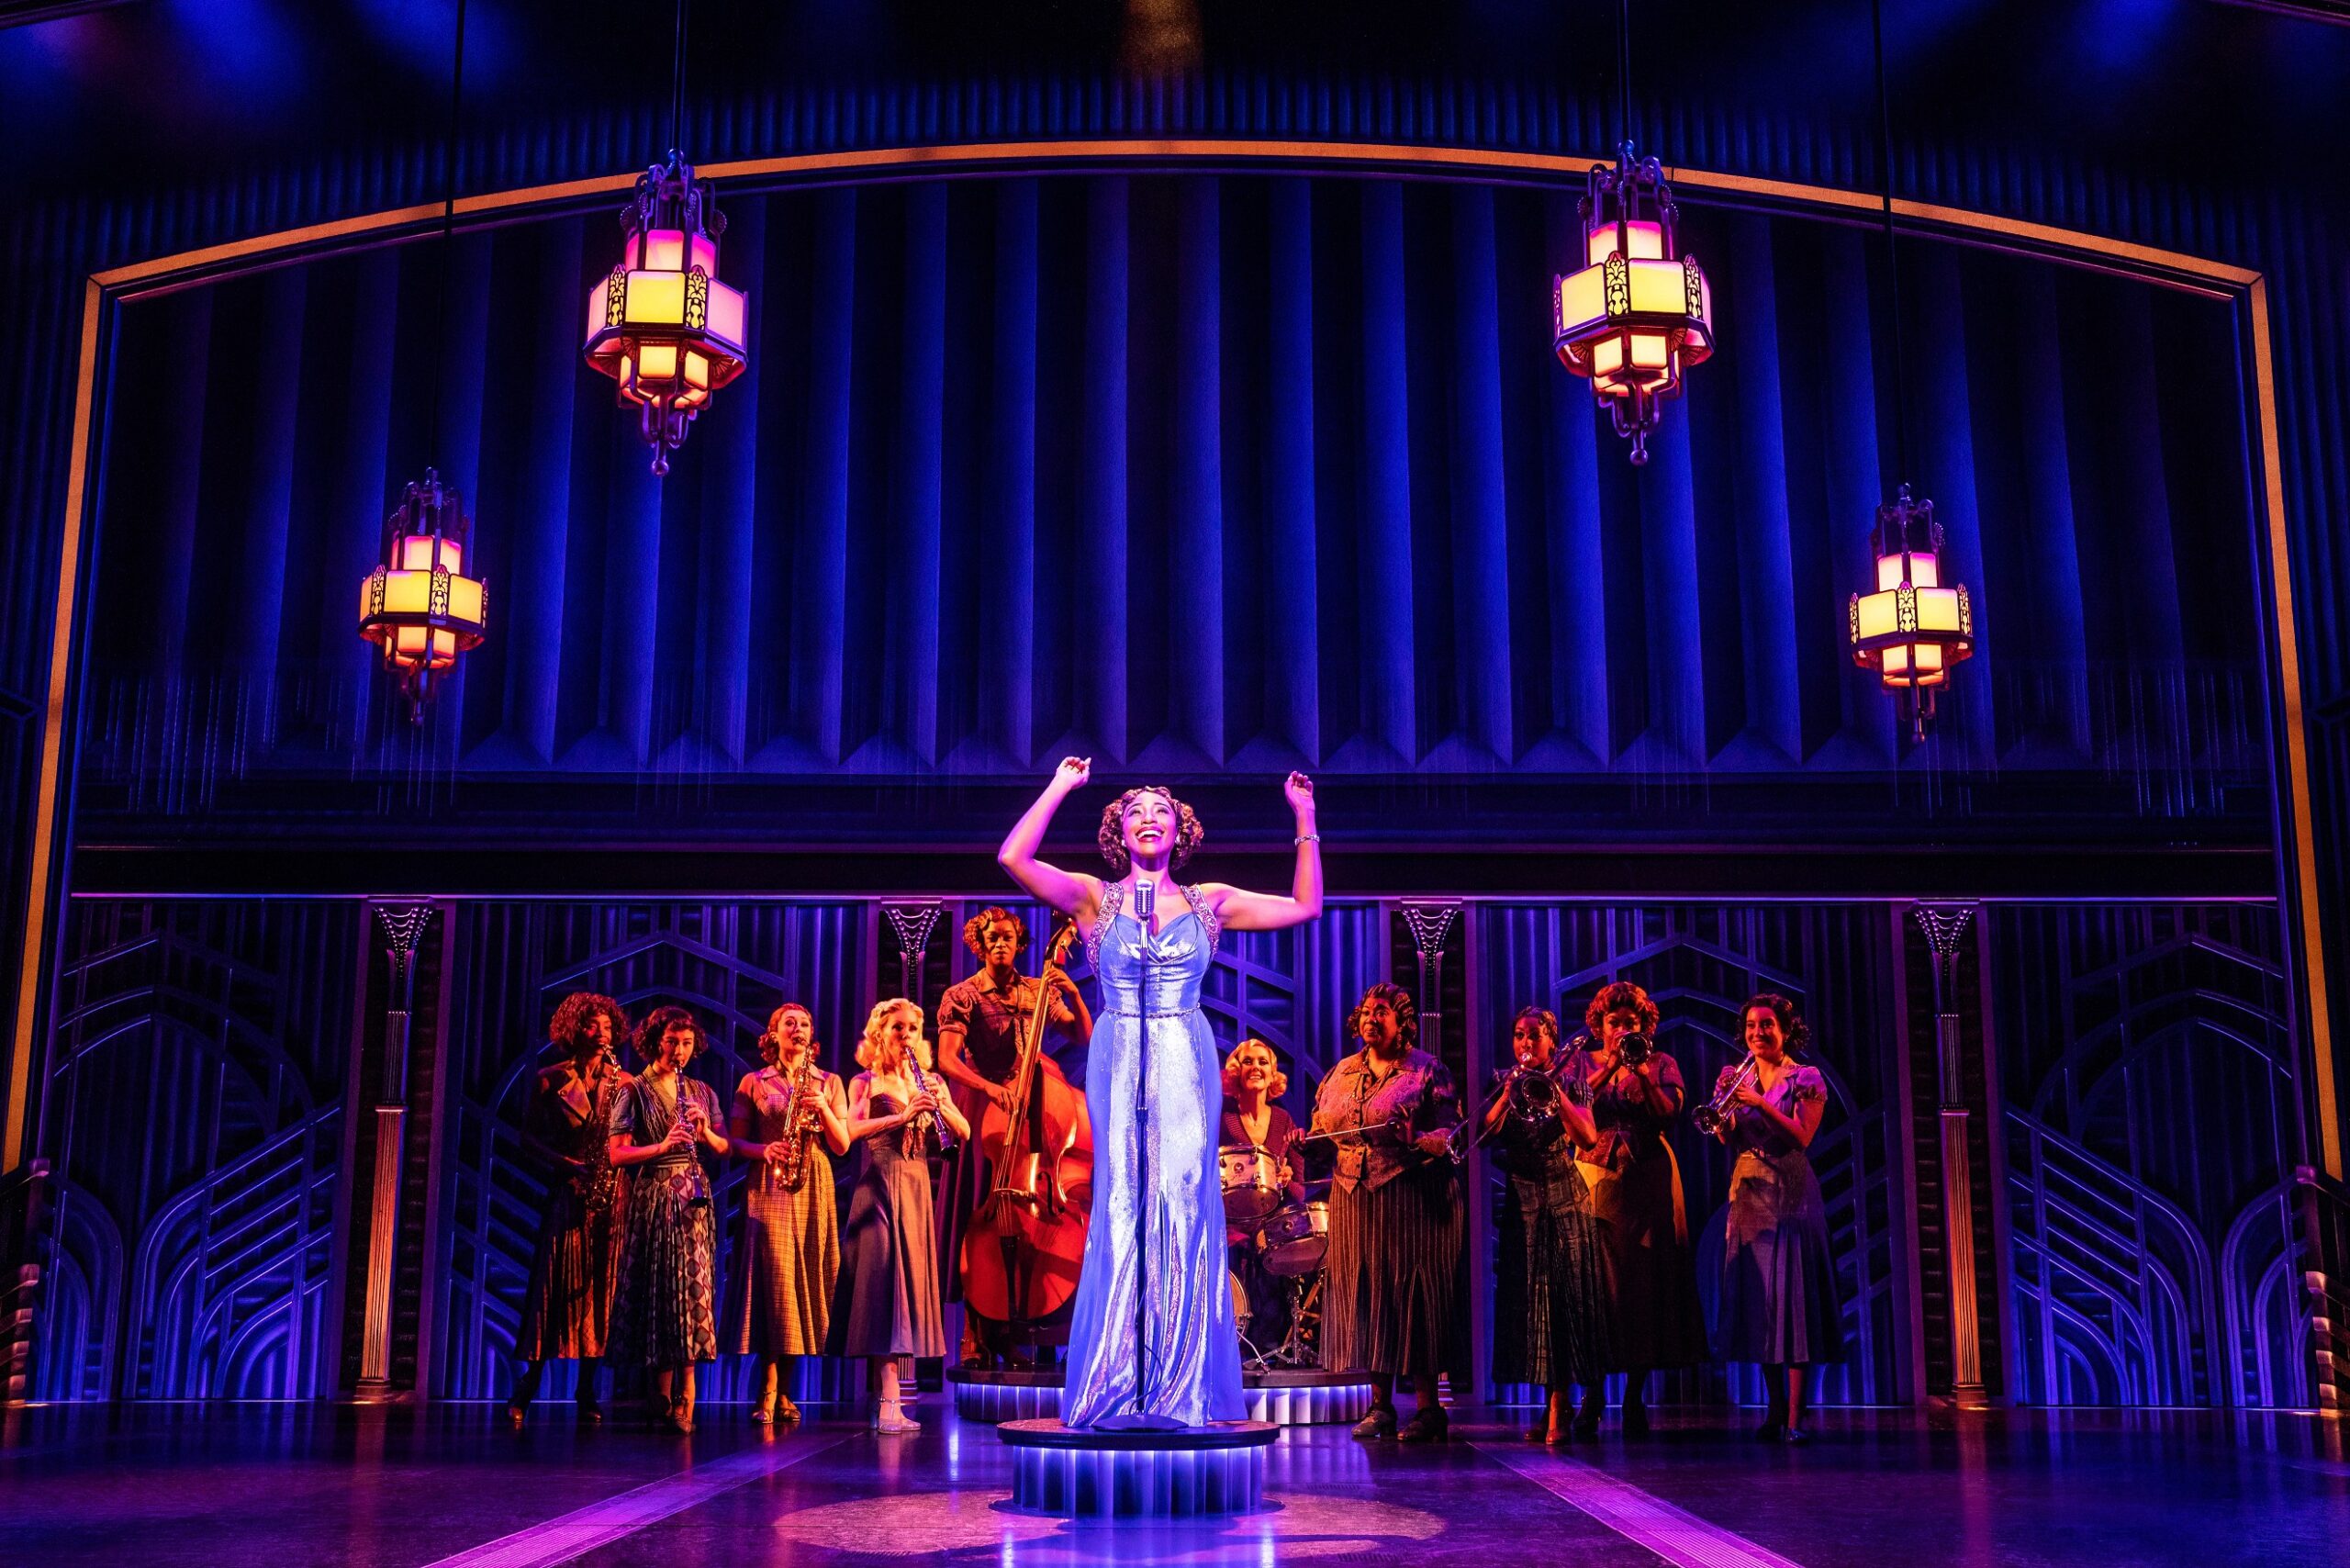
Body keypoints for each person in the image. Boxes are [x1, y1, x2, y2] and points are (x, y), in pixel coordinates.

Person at [996, 758, 1323, 1428]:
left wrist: (1304, 818)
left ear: (1180, 830)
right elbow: (1013, 857)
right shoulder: (1094, 897)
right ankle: (1117, 1378)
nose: (1148, 817)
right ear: (1118, 832)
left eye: (1161, 810)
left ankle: (1181, 1384)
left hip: (1184, 1055)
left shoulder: (1211, 901)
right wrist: (1060, 787)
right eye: (1135, 811)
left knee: (1182, 1205)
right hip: (1120, 1052)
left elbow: (1306, 907)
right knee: (1123, 1205)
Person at [934, 905, 1093, 1367]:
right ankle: (975, 1333)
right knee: (977, 1211)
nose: (1000, 944)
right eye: (992, 938)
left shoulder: (1036, 990)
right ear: (979, 945)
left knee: (1029, 1206)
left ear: (1019, 944)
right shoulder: (963, 995)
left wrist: (1073, 993)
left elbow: (1082, 1035)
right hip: (982, 1105)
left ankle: (1025, 1322)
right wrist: (989, 1089)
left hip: (1032, 1102)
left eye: (1007, 937)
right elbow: (947, 1059)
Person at [1312, 981, 1467, 1442]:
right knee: (1366, 1296)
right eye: (1366, 1011)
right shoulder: (1341, 1072)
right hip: (1353, 1199)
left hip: (1411, 1198)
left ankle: (1428, 1408)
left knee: (1411, 1295)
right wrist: (1305, 1140)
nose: (1371, 1018)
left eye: (1382, 1011)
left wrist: (1415, 1137)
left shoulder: (1426, 1071)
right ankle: (1380, 1406)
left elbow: (1452, 1136)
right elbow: (1323, 1130)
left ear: (1403, 1022)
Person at [1563, 980, 1709, 1435]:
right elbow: (1571, 1108)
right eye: (1615, 1022)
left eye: (1632, 1023)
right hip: (1594, 1175)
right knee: (1595, 1286)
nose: (1624, 1030)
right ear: (1599, 1026)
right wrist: (1609, 1067)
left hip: (1648, 1177)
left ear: (1645, 1026)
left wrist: (1642, 1073)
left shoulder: (1661, 1061)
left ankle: (1633, 1397)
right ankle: (1592, 1394)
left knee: (1644, 1284)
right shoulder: (1583, 1062)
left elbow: (1669, 1114)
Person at [825, 998, 971, 1434]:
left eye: (912, 1028)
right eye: (897, 1027)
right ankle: (890, 1401)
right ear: (880, 1033)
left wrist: (941, 1106)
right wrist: (902, 1117)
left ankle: (892, 1403)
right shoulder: (864, 1082)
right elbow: (849, 1131)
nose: (905, 1034)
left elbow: (963, 1131)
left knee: (907, 1294)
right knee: (884, 1292)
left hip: (916, 1190)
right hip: (880, 1187)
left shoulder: (932, 1081)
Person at [1710, 991, 1843, 1444]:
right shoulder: (1739, 1075)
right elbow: (1728, 1138)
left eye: (1766, 1024)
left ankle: (1796, 1418)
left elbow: (1801, 1137)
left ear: (1786, 1031)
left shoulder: (1804, 1077)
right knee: (1761, 1303)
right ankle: (1773, 1410)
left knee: (1795, 1304)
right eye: (1751, 1025)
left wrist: (1760, 1102)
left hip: (1790, 1190)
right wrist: (1725, 1115)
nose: (1757, 1033)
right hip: (1748, 1188)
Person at [1485, 1006, 1614, 1443]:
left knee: (1561, 1304)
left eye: (1535, 1035)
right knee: (1531, 1308)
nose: (1526, 1043)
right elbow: (1482, 1135)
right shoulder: (1502, 1081)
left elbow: (1588, 1138)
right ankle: (1548, 1404)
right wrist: (1506, 1094)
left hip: (1563, 1199)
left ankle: (1562, 1404)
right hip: (1521, 1203)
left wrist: (1556, 1093)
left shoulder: (1572, 1082)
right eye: (1519, 1035)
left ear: (1552, 1043)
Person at [719, 1002, 851, 1424]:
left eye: (805, 1023)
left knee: (803, 1280)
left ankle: (787, 1391)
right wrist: (764, 1149)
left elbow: (843, 1144)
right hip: (770, 1182)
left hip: (813, 1183)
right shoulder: (753, 1082)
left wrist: (823, 1107)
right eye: (789, 1023)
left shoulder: (829, 1081)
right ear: (773, 1034)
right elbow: (733, 1143)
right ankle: (768, 1388)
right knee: (774, 1280)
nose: (798, 1029)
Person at [506, 992, 632, 1428]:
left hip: (611, 1196)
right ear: (574, 1029)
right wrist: (567, 1164)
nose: (601, 1034)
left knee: (601, 1289)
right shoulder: (550, 1078)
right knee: (553, 1290)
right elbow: (527, 1139)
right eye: (592, 1025)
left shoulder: (624, 1082)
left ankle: (587, 1390)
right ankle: (527, 1386)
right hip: (568, 1189)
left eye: (607, 1027)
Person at [605, 1004, 730, 1434]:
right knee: (660, 1289)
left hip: (693, 1197)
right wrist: (661, 1146)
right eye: (672, 1042)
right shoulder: (634, 1090)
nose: (680, 1051)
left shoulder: (701, 1090)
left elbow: (725, 1148)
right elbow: (617, 1154)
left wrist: (704, 1130)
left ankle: (687, 1395)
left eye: (687, 1043)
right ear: (655, 1042)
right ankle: (659, 1393)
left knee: (692, 1290)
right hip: (656, 1193)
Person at [1220, 1036, 1306, 1357]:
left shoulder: (1284, 1121)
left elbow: (1301, 1189)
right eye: (1248, 1061)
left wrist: (1286, 1180)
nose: (1255, 1067)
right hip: (1230, 1227)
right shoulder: (1222, 1119)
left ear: (1272, 1075)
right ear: (1236, 1072)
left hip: (1271, 1229)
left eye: (1262, 1062)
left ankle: (1274, 1346)